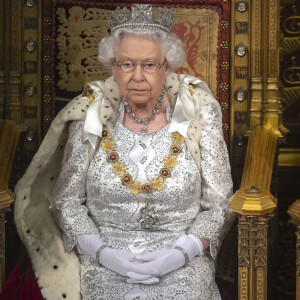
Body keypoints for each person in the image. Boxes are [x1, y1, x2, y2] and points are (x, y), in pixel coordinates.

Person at [14, 4, 234, 300]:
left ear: (167, 66)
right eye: (127, 64)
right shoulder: (91, 114)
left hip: (183, 260)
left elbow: (219, 204)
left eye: (150, 65)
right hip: (105, 260)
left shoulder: (198, 113)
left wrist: (180, 254)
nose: (138, 76)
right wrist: (104, 254)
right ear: (113, 67)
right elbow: (66, 201)